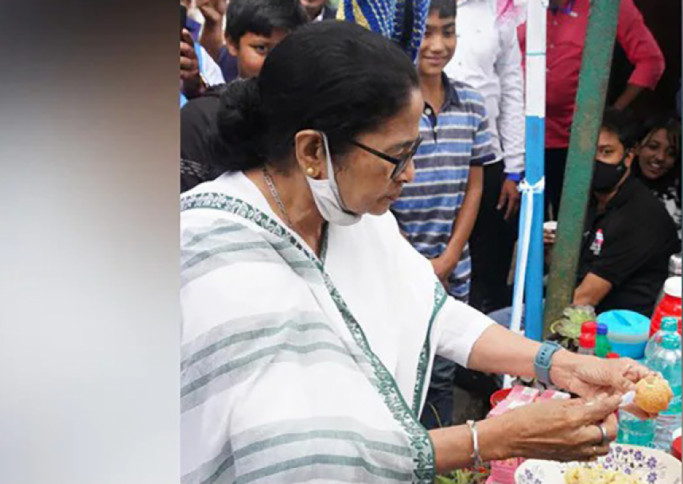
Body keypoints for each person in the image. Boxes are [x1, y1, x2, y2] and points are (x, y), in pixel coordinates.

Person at [181, 22, 654, 483]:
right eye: (397, 156)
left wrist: (559, 365)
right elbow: (298, 458)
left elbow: (433, 313)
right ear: (311, 150)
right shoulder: (210, 255)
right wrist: (496, 439)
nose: (408, 175)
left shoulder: (354, 218)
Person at [388, 0, 494, 430]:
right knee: (395, 373)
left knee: (441, 374)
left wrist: (449, 258)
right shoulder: (389, 105)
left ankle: (439, 464)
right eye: (426, 33)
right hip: (393, 267)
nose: (437, 44)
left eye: (447, 32)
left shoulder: (470, 103)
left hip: (452, 270)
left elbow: (475, 186)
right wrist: (415, 266)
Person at [517, 0, 665, 218]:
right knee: (519, 222)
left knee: (570, 222)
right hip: (517, 138)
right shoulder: (516, 5)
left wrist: (611, 114)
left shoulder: (609, 5)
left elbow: (651, 62)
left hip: (576, 143)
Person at [545, 108, 679, 317]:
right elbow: (567, 273)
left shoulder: (638, 217)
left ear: (628, 156)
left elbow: (584, 299)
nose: (595, 161)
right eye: (588, 151)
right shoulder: (589, 199)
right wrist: (550, 248)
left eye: (606, 152)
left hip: (614, 329)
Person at [444, 0, 525, 314]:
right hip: (435, 154)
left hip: (489, 157)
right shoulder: (416, 6)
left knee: (487, 259)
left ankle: (481, 348)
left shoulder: (498, 9)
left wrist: (514, 169)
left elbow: (511, 87)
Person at [180, 0, 308, 193]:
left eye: (285, 49)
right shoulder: (200, 119)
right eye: (261, 49)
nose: (274, 62)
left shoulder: (310, 115)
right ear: (231, 43)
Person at [633, 114, 682, 239]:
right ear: (637, 148)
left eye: (671, 153)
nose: (660, 157)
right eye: (653, 147)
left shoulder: (682, 195)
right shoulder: (616, 188)